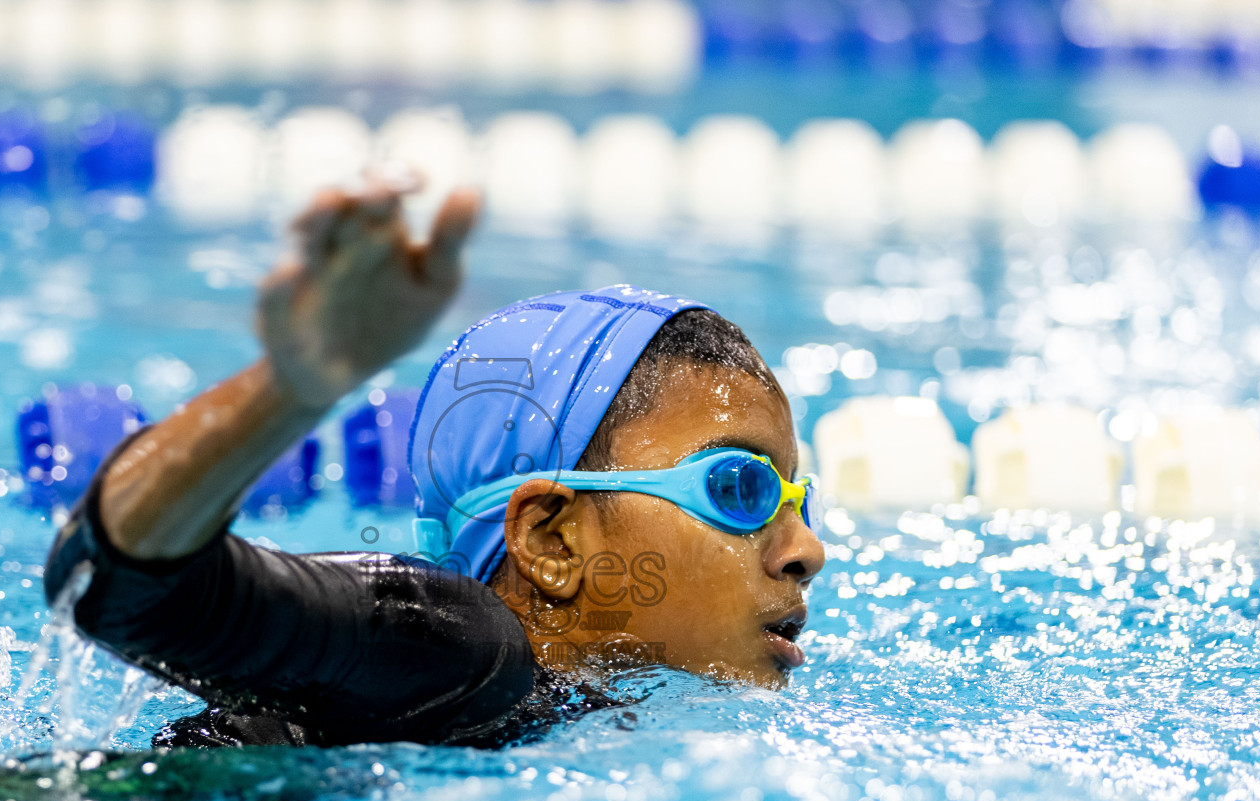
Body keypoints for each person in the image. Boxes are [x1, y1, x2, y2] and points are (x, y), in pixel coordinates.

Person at [44, 181, 826, 748]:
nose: (806, 551)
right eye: (739, 487)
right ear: (551, 539)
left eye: (798, 498)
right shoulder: (458, 648)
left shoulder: (552, 709)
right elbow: (120, 589)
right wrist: (286, 393)